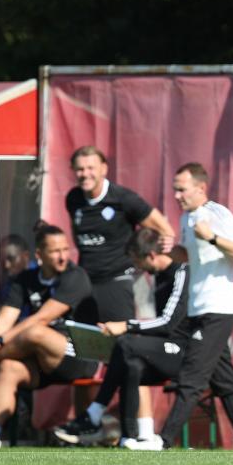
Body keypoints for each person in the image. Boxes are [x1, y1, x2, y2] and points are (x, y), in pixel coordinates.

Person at [125, 162, 233, 450]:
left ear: (200, 188)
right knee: (225, 383)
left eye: (182, 190)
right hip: (199, 310)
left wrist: (211, 236)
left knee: (192, 377)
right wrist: (169, 251)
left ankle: (163, 440)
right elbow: (191, 256)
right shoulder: (188, 218)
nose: (177, 196)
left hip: (217, 310)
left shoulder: (216, 215)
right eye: (174, 190)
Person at [65, 145, 175, 441]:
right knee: (85, 354)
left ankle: (144, 433)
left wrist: (163, 252)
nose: (85, 174)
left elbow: (163, 229)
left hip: (120, 282)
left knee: (130, 353)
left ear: (104, 168)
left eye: (90, 168)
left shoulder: (123, 199)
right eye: (79, 169)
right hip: (88, 287)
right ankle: (90, 427)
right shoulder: (73, 199)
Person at [53, 228, 189, 447]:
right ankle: (131, 436)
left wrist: (126, 326)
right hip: (163, 349)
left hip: (182, 351)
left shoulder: (181, 273)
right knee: (131, 363)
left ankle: (94, 413)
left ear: (151, 255)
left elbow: (168, 323)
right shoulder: (160, 277)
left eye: (138, 262)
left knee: (126, 342)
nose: (137, 268)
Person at [0, 224, 98, 449]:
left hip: (78, 356)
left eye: (65, 249)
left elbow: (41, 319)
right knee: (9, 368)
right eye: (55, 251)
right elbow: (3, 321)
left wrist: (0, 342)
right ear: (39, 255)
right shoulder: (25, 279)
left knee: (35, 332)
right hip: (42, 363)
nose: (63, 256)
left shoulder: (76, 276)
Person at [0, 235, 36, 314]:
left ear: (26, 256)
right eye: (2, 260)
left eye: (11, 259)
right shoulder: (6, 284)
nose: (6, 265)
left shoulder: (40, 278)